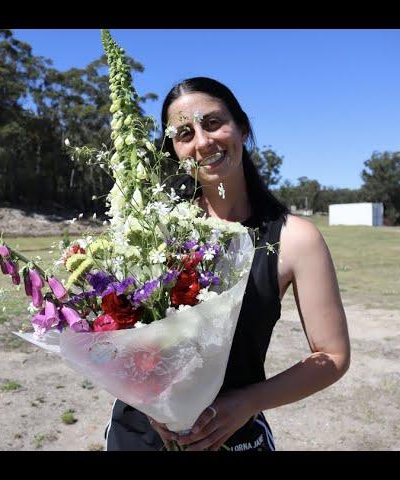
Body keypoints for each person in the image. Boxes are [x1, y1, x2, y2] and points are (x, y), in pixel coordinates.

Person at [105, 77, 351, 451]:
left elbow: (333, 356)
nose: (203, 142)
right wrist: (153, 406)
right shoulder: (152, 231)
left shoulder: (295, 239)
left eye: (213, 122)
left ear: (242, 127)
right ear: (173, 149)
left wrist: (248, 402)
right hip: (141, 434)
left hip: (231, 436)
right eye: (184, 132)